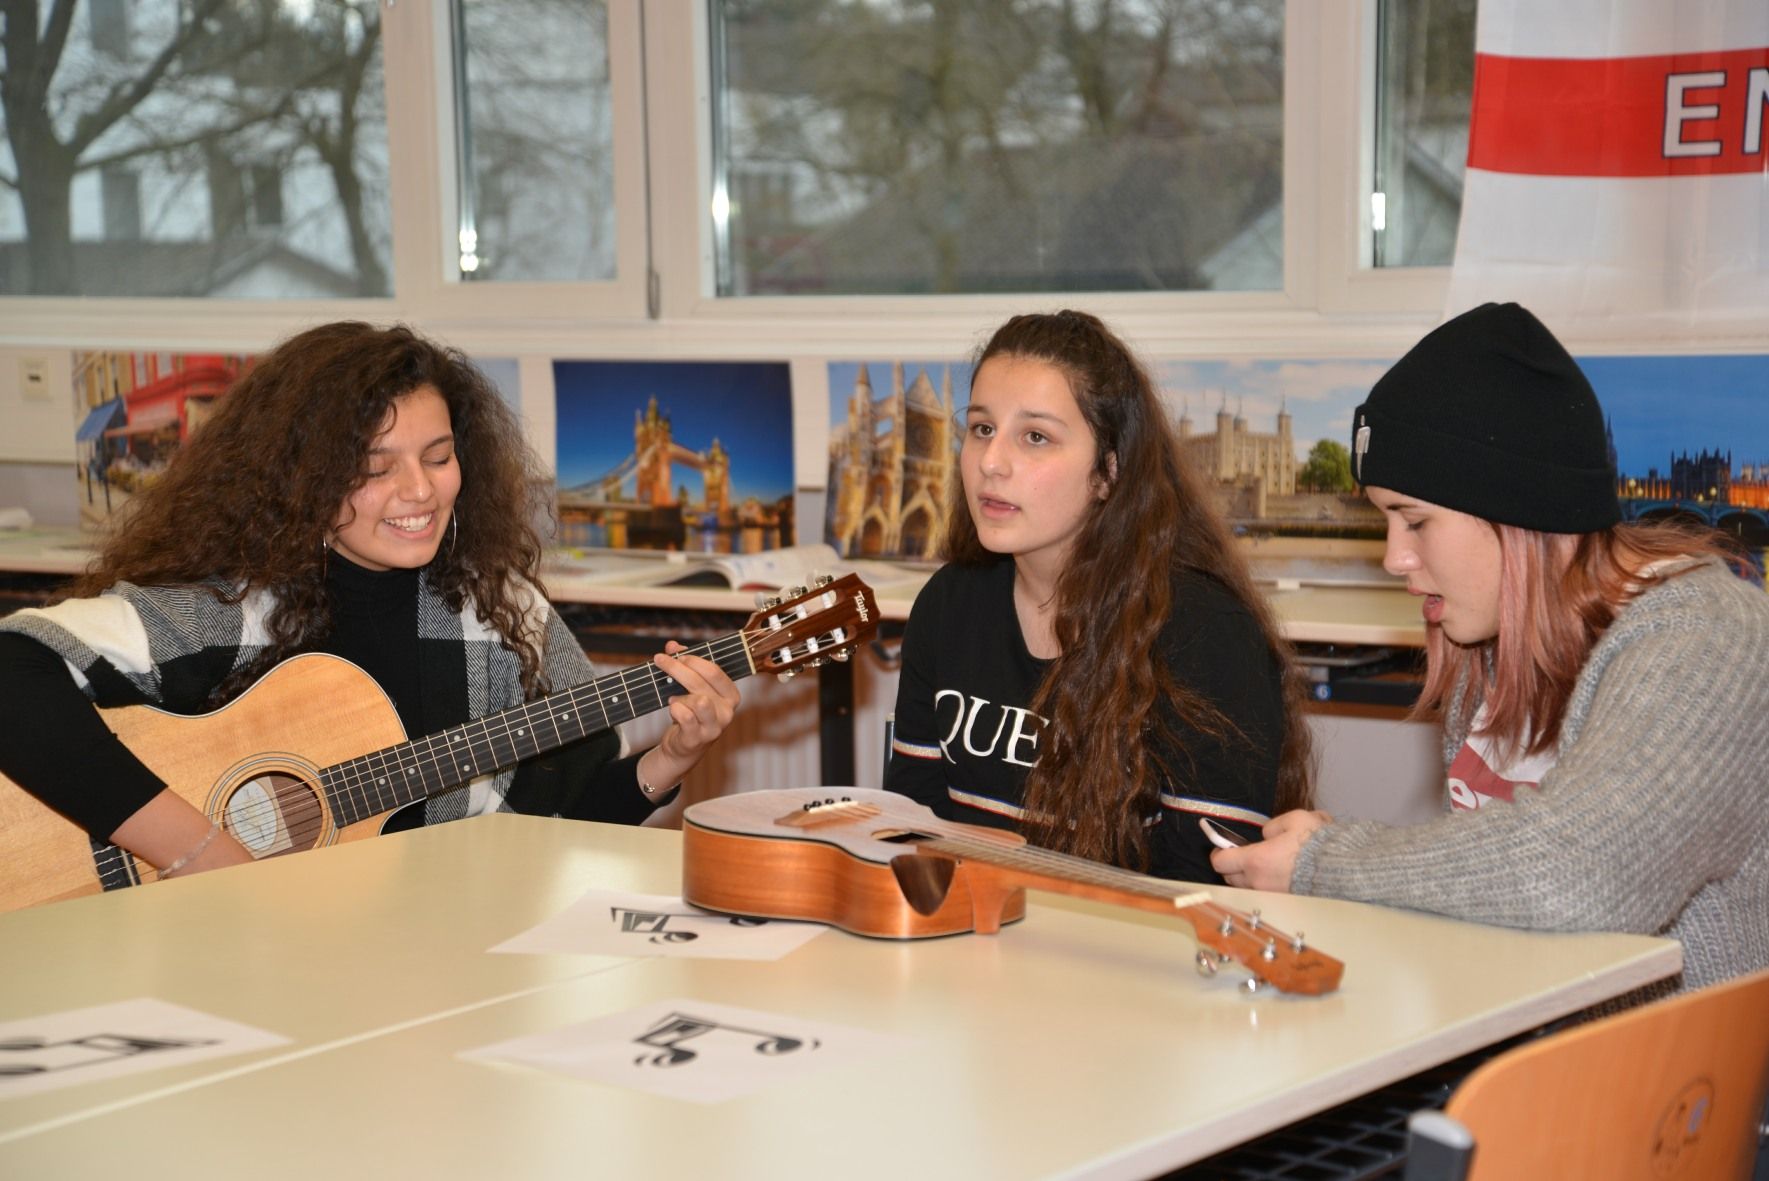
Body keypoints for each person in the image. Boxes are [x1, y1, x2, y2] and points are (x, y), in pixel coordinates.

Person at [0, 322, 741, 881]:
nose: (420, 491)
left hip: (427, 946)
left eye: (438, 456)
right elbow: (13, 670)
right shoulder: (229, 607)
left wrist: (671, 757)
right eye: (375, 467)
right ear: (302, 478)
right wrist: (199, 852)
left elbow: (558, 822)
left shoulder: (501, 613)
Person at [1212, 302, 1769, 994]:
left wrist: (1328, 863)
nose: (1393, 557)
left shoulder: (1708, 642)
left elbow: (1575, 875)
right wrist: (1358, 867)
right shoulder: (1487, 654)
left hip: (1673, 1065)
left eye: (1415, 521)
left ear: (1518, 510)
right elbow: (1504, 899)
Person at [884, 310, 1313, 884]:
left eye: (1035, 437)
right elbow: (912, 832)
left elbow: (1204, 887)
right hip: (972, 927)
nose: (990, 462)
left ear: (1108, 473)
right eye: (982, 428)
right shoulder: (947, 605)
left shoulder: (1207, 632)